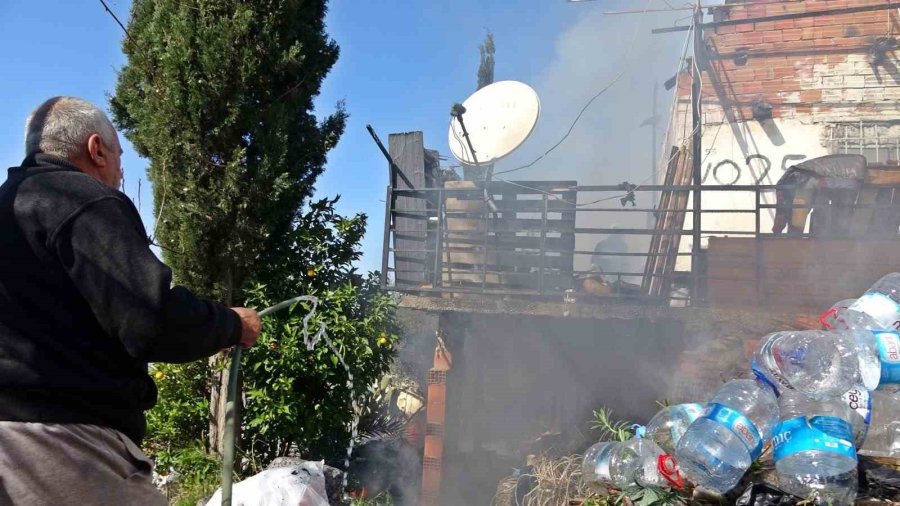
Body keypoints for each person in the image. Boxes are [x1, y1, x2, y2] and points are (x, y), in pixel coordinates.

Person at [0, 97, 262, 505]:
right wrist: (232, 324)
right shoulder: (82, 199)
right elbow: (152, 318)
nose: (122, 172)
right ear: (97, 149)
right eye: (120, 156)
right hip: (62, 447)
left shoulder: (10, 208)